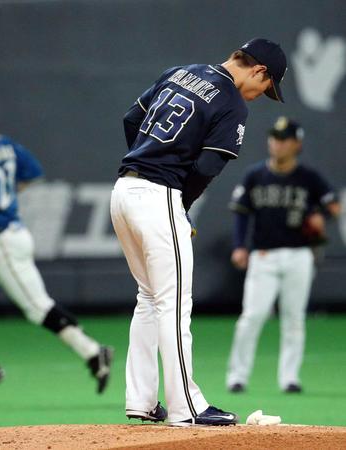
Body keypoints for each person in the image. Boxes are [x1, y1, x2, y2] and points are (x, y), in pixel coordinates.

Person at [110, 38, 287, 426]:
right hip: (159, 196)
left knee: (149, 297)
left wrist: (148, 162)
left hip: (123, 190)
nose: (260, 95)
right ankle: (186, 407)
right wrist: (180, 205)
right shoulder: (231, 101)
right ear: (259, 70)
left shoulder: (179, 72)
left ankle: (141, 400)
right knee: (174, 305)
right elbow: (207, 167)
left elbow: (130, 119)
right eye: (266, 87)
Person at [0, 91, 113, 395]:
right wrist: (4, 198)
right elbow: (32, 173)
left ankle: (93, 352)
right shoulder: (3, 144)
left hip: (1, 240)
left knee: (37, 308)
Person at [226, 116, 341, 394]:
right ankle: (237, 376)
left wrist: (321, 216)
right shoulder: (255, 175)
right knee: (252, 316)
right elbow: (241, 213)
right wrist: (240, 245)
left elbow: (334, 206)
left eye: (284, 139)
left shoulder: (308, 177)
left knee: (294, 318)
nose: (277, 144)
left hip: (299, 255)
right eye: (275, 138)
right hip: (263, 256)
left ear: (296, 144)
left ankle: (289, 377)